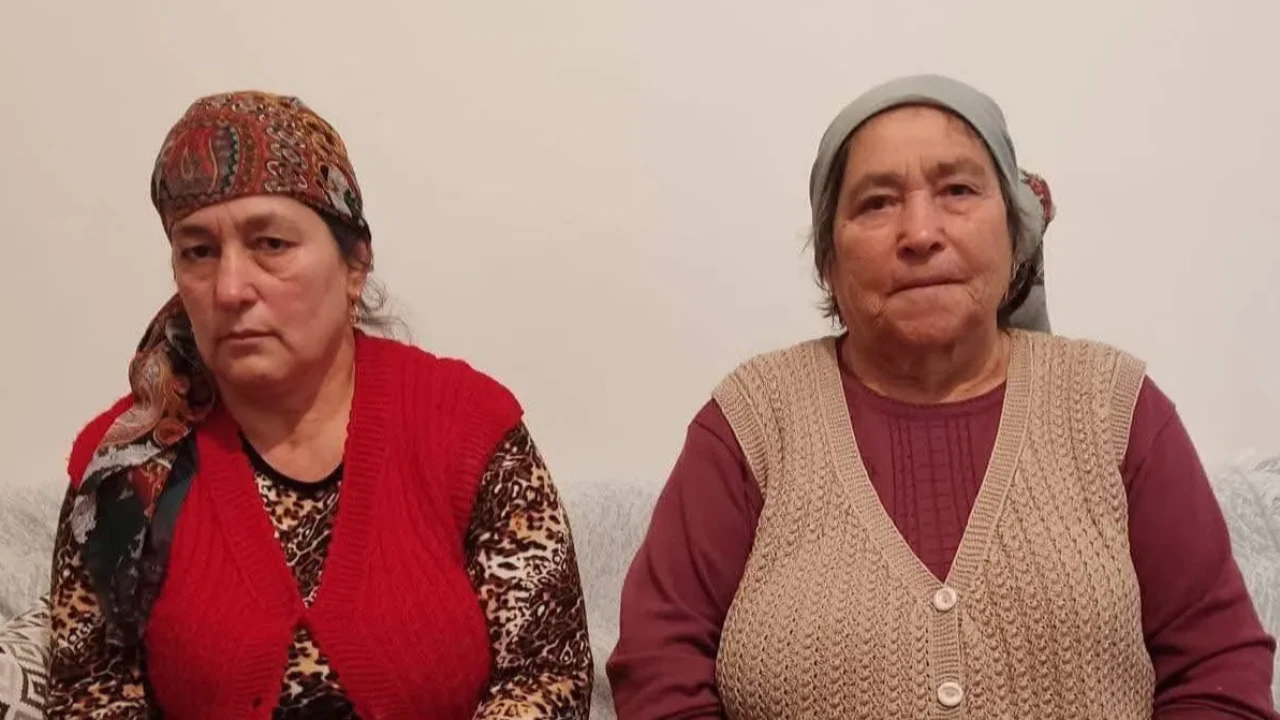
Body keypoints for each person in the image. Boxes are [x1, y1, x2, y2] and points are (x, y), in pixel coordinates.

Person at [607, 74, 1277, 719]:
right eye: (876, 203)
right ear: (828, 261)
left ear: (1015, 234)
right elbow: (659, 667)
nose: (921, 233)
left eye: (958, 190)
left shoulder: (1114, 407)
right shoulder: (753, 421)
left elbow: (1217, 672)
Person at [46, 91, 593, 719]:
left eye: (271, 244)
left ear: (354, 265)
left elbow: (547, 674)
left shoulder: (468, 429)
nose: (230, 288)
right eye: (198, 252)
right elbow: (90, 694)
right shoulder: (128, 465)